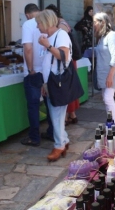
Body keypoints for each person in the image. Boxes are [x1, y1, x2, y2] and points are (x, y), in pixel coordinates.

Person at [37, 9, 70, 161]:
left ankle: (59, 145)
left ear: (46, 23)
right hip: (51, 81)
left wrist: (47, 45)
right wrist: (44, 83)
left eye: (39, 23)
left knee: (57, 115)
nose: (37, 26)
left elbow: (63, 55)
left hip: (58, 82)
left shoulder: (60, 35)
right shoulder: (50, 36)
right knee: (55, 113)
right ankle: (64, 141)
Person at [20, 4, 53, 147]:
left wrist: (31, 69)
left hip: (34, 71)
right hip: (47, 70)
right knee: (49, 103)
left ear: (27, 14)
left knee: (33, 105)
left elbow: (28, 48)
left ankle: (34, 137)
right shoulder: (50, 23)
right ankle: (52, 132)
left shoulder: (28, 24)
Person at [45, 4, 79, 125]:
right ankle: (72, 115)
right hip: (68, 60)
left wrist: (48, 46)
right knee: (67, 88)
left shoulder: (60, 26)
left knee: (65, 89)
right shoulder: (63, 23)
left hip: (64, 62)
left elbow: (63, 52)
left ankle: (65, 117)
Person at [94, 12, 115, 122]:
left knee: (108, 98)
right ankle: (111, 121)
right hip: (104, 72)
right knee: (106, 99)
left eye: (95, 22)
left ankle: (114, 124)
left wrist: (110, 76)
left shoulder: (112, 36)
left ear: (103, 22)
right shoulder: (102, 37)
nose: (93, 24)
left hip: (111, 72)